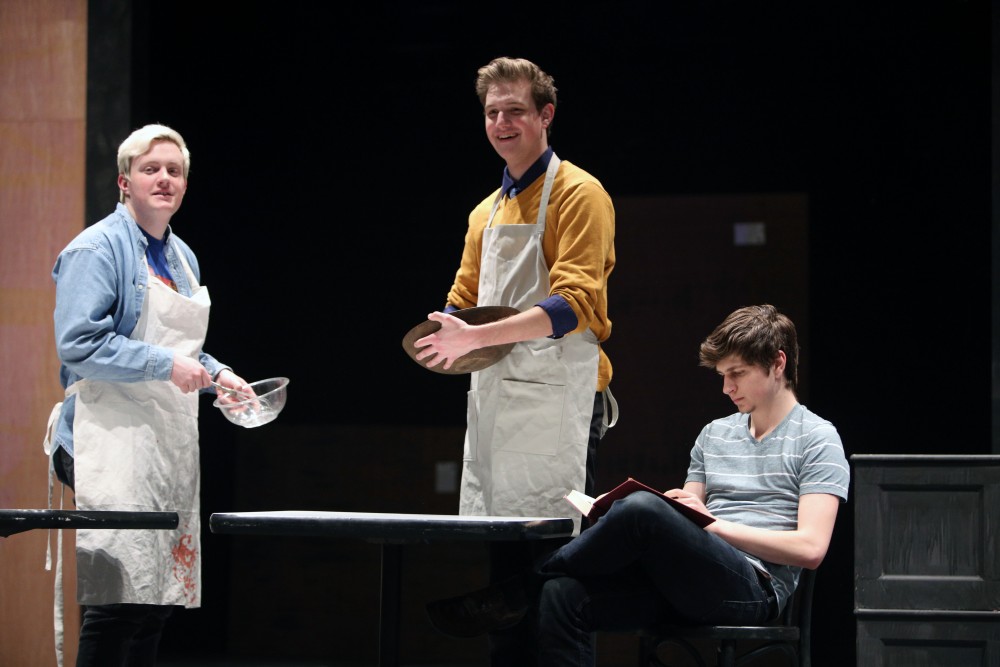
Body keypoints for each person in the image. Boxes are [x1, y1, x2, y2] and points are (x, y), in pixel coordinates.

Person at [429, 304, 850, 667]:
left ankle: (519, 588)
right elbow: (690, 515)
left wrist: (711, 525)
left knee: (642, 512)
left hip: (754, 590)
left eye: (737, 373)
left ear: (778, 363)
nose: (727, 387)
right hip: (691, 577)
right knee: (563, 593)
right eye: (722, 375)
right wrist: (681, 510)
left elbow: (810, 550)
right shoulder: (714, 434)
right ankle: (535, 585)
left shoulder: (816, 438)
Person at [416, 56, 617, 665]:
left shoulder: (581, 194)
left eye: (515, 110)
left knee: (553, 567)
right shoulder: (486, 212)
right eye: (492, 112)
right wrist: (444, 330)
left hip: (561, 403)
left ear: (545, 115)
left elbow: (573, 305)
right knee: (502, 566)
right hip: (499, 400)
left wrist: (477, 337)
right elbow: (463, 298)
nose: (502, 122)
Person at [43, 123, 250, 666]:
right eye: (151, 169)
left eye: (174, 171)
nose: (164, 179)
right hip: (106, 436)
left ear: (185, 185)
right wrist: (167, 365)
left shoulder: (182, 257)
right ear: (124, 181)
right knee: (120, 601)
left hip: (163, 437)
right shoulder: (96, 248)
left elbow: (180, 346)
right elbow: (78, 344)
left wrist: (218, 374)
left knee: (156, 599)